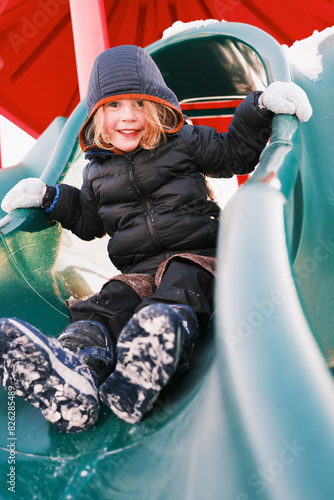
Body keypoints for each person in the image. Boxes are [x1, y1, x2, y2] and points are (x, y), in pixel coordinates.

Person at [0, 45, 312, 432]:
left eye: (139, 104)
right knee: (106, 303)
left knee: (181, 281)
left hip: (200, 257)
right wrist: (52, 198)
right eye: (114, 106)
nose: (128, 116)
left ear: (159, 106)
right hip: (138, 270)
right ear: (97, 115)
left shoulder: (184, 141)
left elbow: (234, 155)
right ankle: (74, 371)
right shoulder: (97, 171)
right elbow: (88, 221)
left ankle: (150, 352)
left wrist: (259, 109)